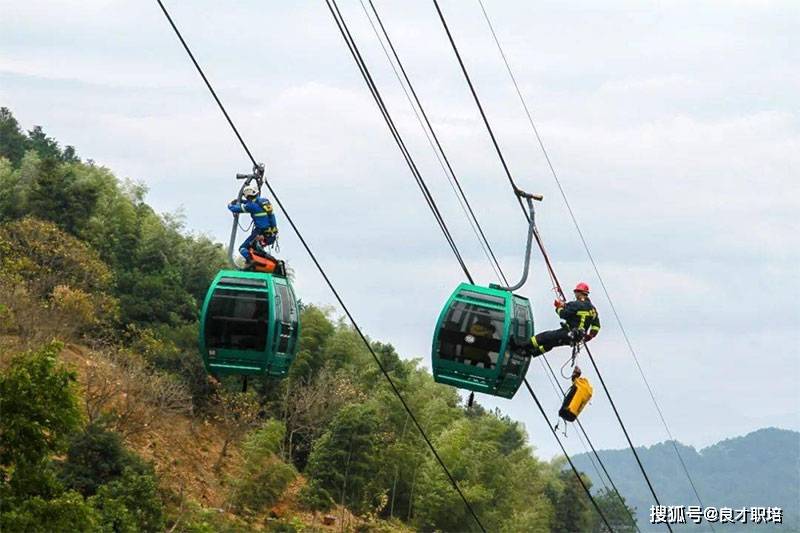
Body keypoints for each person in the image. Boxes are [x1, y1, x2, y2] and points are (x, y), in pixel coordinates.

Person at [518, 282, 600, 357]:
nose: (575, 295)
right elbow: (596, 326)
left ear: (579, 293)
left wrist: (558, 308)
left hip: (568, 332)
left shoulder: (576, 304)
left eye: (576, 293)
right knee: (551, 343)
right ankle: (530, 353)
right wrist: (590, 336)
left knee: (544, 336)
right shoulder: (593, 310)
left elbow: (563, 314)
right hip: (576, 339)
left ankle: (521, 346)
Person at [228, 184, 278, 265]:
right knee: (254, 249)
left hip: (259, 232)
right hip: (270, 235)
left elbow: (235, 208)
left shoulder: (251, 206)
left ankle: (251, 262)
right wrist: (241, 201)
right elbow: (251, 203)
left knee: (242, 248)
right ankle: (261, 262)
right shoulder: (264, 201)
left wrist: (230, 204)